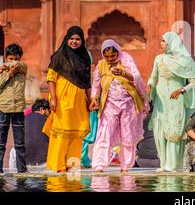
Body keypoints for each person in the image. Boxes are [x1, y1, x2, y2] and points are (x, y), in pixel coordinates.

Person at [148, 32, 195, 172]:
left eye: (163, 41)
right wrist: (149, 85)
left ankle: (173, 165)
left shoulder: (184, 60)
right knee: (160, 130)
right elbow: (153, 77)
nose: (161, 43)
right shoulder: (159, 59)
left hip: (176, 100)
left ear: (171, 42)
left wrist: (182, 90)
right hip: (161, 101)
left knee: (175, 130)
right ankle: (163, 163)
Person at [90, 39, 149, 173]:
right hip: (109, 104)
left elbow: (136, 77)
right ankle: (99, 165)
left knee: (128, 135)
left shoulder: (126, 60)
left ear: (118, 52)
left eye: (113, 56)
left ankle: (126, 166)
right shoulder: (101, 65)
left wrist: (123, 73)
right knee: (104, 133)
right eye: (107, 56)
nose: (110, 59)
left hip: (128, 104)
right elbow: (96, 84)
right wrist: (94, 98)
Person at [44, 26, 91, 172]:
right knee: (62, 132)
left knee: (76, 134)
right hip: (62, 100)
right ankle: (58, 165)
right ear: (67, 39)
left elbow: (87, 82)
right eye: (72, 39)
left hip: (79, 101)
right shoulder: (59, 56)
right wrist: (53, 99)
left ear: (82, 41)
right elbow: (51, 78)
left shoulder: (84, 58)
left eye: (78, 39)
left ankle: (72, 165)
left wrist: (90, 100)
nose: (74, 42)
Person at [0, 44, 28, 173]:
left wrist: (5, 66)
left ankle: (22, 170)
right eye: (10, 59)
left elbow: (20, 65)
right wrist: (9, 74)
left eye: (16, 59)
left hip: (18, 109)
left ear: (20, 58)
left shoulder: (23, 68)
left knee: (20, 144)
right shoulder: (1, 72)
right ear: (6, 58)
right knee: (1, 143)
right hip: (3, 108)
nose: (13, 62)